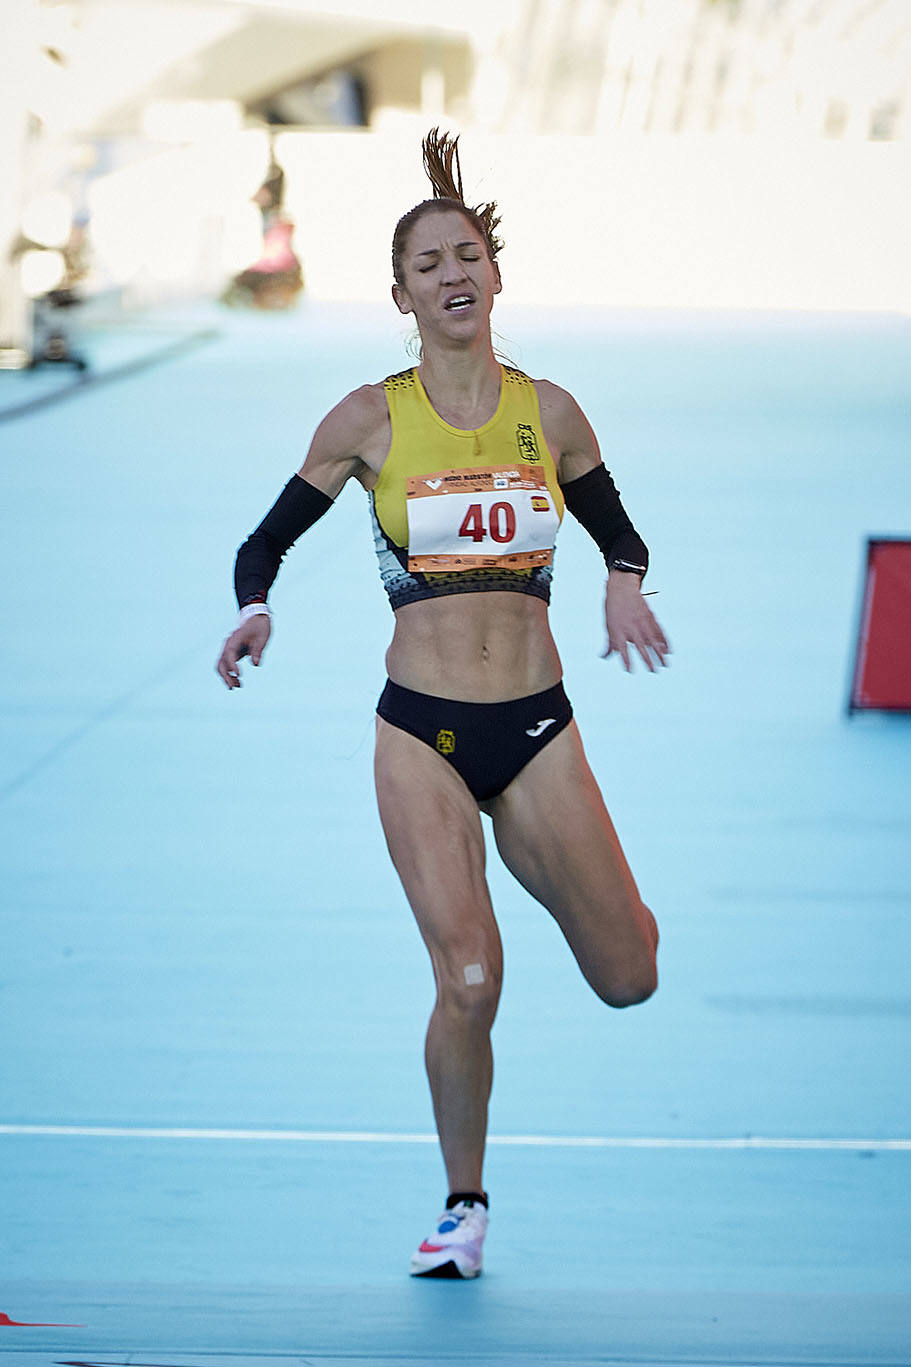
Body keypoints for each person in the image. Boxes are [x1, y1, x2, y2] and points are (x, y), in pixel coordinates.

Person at [216, 129, 668, 1280]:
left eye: (465, 253)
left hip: (538, 726)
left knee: (629, 976)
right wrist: (254, 605)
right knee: (468, 972)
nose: (451, 274)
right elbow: (263, 540)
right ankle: (462, 1204)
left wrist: (622, 582)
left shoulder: (550, 411)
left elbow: (619, 530)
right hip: (420, 729)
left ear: (493, 274)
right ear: (401, 294)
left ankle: (525, 850)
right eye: (427, 263)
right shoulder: (368, 418)